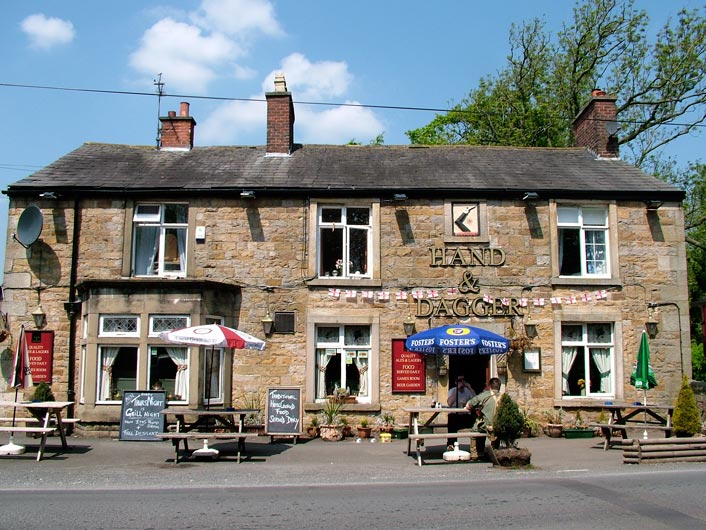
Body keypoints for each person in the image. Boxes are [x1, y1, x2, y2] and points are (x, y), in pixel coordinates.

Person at [464, 377, 502, 457]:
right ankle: (495, 450)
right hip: (500, 425)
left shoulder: (484, 395)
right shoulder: (504, 397)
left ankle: (475, 453)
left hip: (487, 426)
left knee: (475, 428)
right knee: (493, 428)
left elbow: (469, 405)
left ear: (490, 386)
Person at [446, 375, 476, 449]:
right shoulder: (452, 390)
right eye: (460, 380)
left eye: (463, 380)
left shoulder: (467, 391)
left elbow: (476, 399)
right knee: (451, 419)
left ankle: (477, 446)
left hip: (465, 415)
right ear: (456, 382)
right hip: (455, 415)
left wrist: (470, 387)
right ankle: (451, 444)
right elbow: (449, 403)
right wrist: (457, 389)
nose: (462, 382)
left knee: (476, 418)